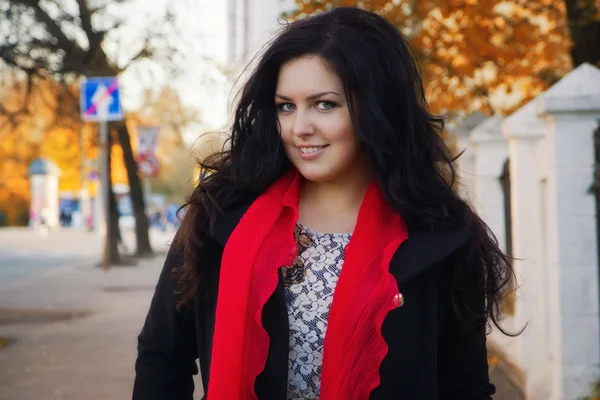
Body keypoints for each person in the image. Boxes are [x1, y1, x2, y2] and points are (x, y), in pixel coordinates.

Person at [133, 7, 515, 400]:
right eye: (286, 106)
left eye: (325, 104)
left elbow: (463, 387)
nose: (300, 128)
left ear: (377, 107)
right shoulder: (220, 217)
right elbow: (163, 356)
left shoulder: (441, 238)